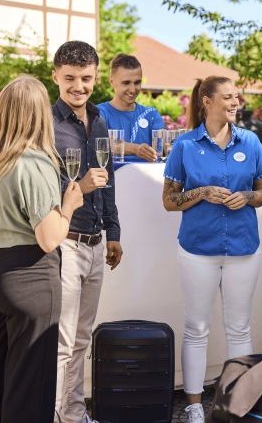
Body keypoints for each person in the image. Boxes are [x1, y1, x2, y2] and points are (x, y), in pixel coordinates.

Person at [162, 75, 262, 423]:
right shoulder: (184, 146)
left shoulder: (250, 141)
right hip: (197, 250)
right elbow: (169, 200)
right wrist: (202, 193)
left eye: (237, 96)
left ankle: (240, 405)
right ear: (207, 101)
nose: (235, 102)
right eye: (227, 97)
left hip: (244, 248)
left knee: (240, 328)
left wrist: (249, 197)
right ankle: (194, 406)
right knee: (197, 328)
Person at [0, 75, 83, 423]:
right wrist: (70, 205)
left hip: (4, 272)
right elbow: (49, 238)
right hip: (31, 278)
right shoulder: (34, 162)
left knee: (8, 381)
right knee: (31, 386)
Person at [51, 41, 123, 423]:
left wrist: (114, 232)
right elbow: (45, 189)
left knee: (81, 339)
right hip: (65, 244)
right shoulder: (47, 124)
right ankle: (52, 414)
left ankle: (74, 415)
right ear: (55, 77)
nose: (79, 86)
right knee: (62, 343)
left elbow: (108, 181)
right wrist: (82, 185)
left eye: (86, 78)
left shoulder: (99, 119)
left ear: (95, 77)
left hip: (96, 244)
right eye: (70, 78)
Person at [97, 53, 165, 162]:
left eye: (137, 82)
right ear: (112, 82)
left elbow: (163, 147)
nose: (133, 89)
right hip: (113, 173)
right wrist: (135, 149)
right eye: (126, 83)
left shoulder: (151, 115)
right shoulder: (99, 113)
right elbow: (99, 145)